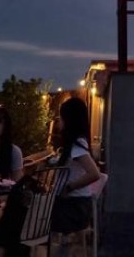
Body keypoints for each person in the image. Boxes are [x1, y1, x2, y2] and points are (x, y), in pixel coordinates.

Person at [51, 97, 101, 239]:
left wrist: (68, 188)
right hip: (74, 204)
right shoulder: (78, 143)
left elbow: (94, 173)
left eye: (61, 117)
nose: (59, 121)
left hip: (73, 206)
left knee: (32, 217)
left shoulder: (77, 144)